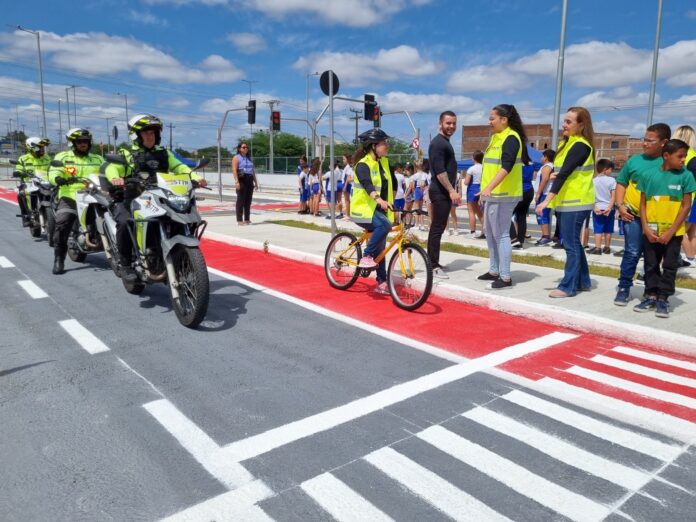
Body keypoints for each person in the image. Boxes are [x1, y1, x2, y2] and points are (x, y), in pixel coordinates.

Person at [105, 114, 207, 281]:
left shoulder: (164, 153)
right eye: (145, 133)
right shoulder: (127, 153)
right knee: (125, 223)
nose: (150, 136)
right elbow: (113, 168)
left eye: (152, 132)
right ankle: (126, 265)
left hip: (161, 197)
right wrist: (115, 178)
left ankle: (179, 257)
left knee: (187, 214)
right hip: (134, 198)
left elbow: (180, 167)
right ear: (136, 135)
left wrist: (195, 178)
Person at [536, 107, 596, 298]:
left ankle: (568, 286)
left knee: (570, 245)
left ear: (581, 125)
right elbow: (565, 172)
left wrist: (546, 200)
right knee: (574, 244)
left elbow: (566, 174)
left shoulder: (580, 145)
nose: (564, 125)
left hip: (576, 202)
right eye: (565, 121)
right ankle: (583, 281)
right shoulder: (569, 144)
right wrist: (556, 174)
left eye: (569, 122)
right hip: (568, 201)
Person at [634, 139, 696, 317]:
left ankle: (663, 298)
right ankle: (651, 294)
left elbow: (686, 206)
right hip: (651, 231)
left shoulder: (686, 176)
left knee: (669, 266)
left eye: (684, 156)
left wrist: (671, 231)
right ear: (666, 156)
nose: (683, 160)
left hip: (673, 233)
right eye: (680, 156)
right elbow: (643, 203)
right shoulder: (648, 175)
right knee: (651, 264)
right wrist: (645, 227)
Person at [611, 123, 671, 306]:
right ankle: (623, 287)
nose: (644, 143)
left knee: (653, 256)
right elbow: (621, 183)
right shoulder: (634, 161)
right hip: (633, 216)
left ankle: (651, 291)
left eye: (650, 141)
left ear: (663, 143)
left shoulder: (668, 164)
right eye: (644, 139)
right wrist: (620, 206)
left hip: (656, 219)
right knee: (632, 252)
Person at [478, 104, 530, 289]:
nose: (489, 121)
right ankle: (494, 270)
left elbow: (506, 167)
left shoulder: (510, 138)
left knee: (501, 234)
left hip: (504, 194)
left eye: (492, 118)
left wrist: (488, 188)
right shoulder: (496, 138)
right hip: (493, 195)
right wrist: (484, 192)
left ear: (504, 119)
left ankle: (505, 276)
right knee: (491, 234)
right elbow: (490, 168)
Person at [48, 128, 103, 275]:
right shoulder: (63, 157)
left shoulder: (97, 158)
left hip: (95, 194)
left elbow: (107, 170)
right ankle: (59, 259)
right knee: (63, 222)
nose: (83, 144)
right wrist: (58, 178)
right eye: (80, 141)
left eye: (86, 141)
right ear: (73, 143)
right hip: (71, 195)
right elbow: (54, 171)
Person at [351, 128, 396, 295]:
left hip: (378, 211)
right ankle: (366, 256)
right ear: (373, 146)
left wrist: (394, 205)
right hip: (362, 210)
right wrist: (378, 200)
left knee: (381, 247)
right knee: (384, 226)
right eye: (384, 143)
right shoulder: (363, 164)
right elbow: (367, 184)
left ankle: (381, 282)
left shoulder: (383, 162)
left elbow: (391, 184)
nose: (387, 145)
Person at [427, 111, 461, 279]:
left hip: (443, 192)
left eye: (454, 123)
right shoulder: (438, 144)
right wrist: (451, 190)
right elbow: (440, 172)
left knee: (438, 228)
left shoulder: (445, 142)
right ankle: (432, 265)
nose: (451, 126)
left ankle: (434, 262)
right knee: (437, 228)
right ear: (440, 123)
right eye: (448, 123)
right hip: (440, 191)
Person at [671, 125, 696, 267]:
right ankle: (692, 258)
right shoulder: (694, 156)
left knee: (678, 232)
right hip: (694, 199)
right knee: (692, 232)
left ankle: (686, 258)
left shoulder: (681, 156)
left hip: (685, 199)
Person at [16, 136, 51, 225]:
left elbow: (52, 168)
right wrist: (18, 172)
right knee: (21, 194)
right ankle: (25, 216)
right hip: (29, 183)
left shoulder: (47, 157)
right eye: (40, 147)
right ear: (31, 148)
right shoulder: (23, 158)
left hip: (45, 182)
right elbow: (19, 168)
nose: (42, 149)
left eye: (43, 147)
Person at [588, 159, 616, 255]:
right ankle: (607, 247)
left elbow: (591, 196)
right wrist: (609, 207)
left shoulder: (593, 181)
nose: (611, 172)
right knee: (608, 229)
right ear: (605, 169)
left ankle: (597, 248)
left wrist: (594, 207)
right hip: (609, 208)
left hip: (598, 208)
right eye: (611, 170)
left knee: (598, 229)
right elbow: (613, 196)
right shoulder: (612, 180)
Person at [509, 161, 535, 248]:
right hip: (529, 191)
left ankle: (513, 239)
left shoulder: (517, 164)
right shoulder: (531, 164)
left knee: (506, 215)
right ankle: (520, 240)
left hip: (519, 191)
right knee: (522, 216)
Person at [232, 142, 258, 225]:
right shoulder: (236, 158)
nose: (245, 148)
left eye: (246, 147)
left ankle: (247, 218)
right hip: (242, 179)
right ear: (239, 149)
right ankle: (239, 219)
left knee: (248, 200)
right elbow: (234, 170)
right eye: (243, 147)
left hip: (249, 179)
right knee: (240, 200)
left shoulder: (249, 158)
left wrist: (256, 182)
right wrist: (237, 181)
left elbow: (253, 171)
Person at [534, 149, 555, 245]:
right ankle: (545, 235)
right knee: (543, 214)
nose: (541, 158)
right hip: (545, 193)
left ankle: (546, 236)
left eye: (542, 156)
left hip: (544, 193)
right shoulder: (547, 166)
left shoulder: (547, 166)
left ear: (546, 157)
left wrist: (539, 193)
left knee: (541, 214)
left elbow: (545, 180)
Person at [464, 150, 484, 238]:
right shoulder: (484, 168)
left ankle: (472, 232)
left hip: (472, 190)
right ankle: (485, 232)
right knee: (480, 213)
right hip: (482, 189)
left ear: (474, 158)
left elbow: (466, 182)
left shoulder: (471, 169)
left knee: (471, 212)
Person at [342, 153, 354, 219]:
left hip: (347, 185)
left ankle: (348, 215)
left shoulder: (349, 167)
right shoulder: (347, 167)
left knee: (347, 200)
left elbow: (347, 178)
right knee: (347, 200)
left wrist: (345, 186)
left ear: (348, 159)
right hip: (346, 184)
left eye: (344, 159)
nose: (343, 160)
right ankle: (347, 214)